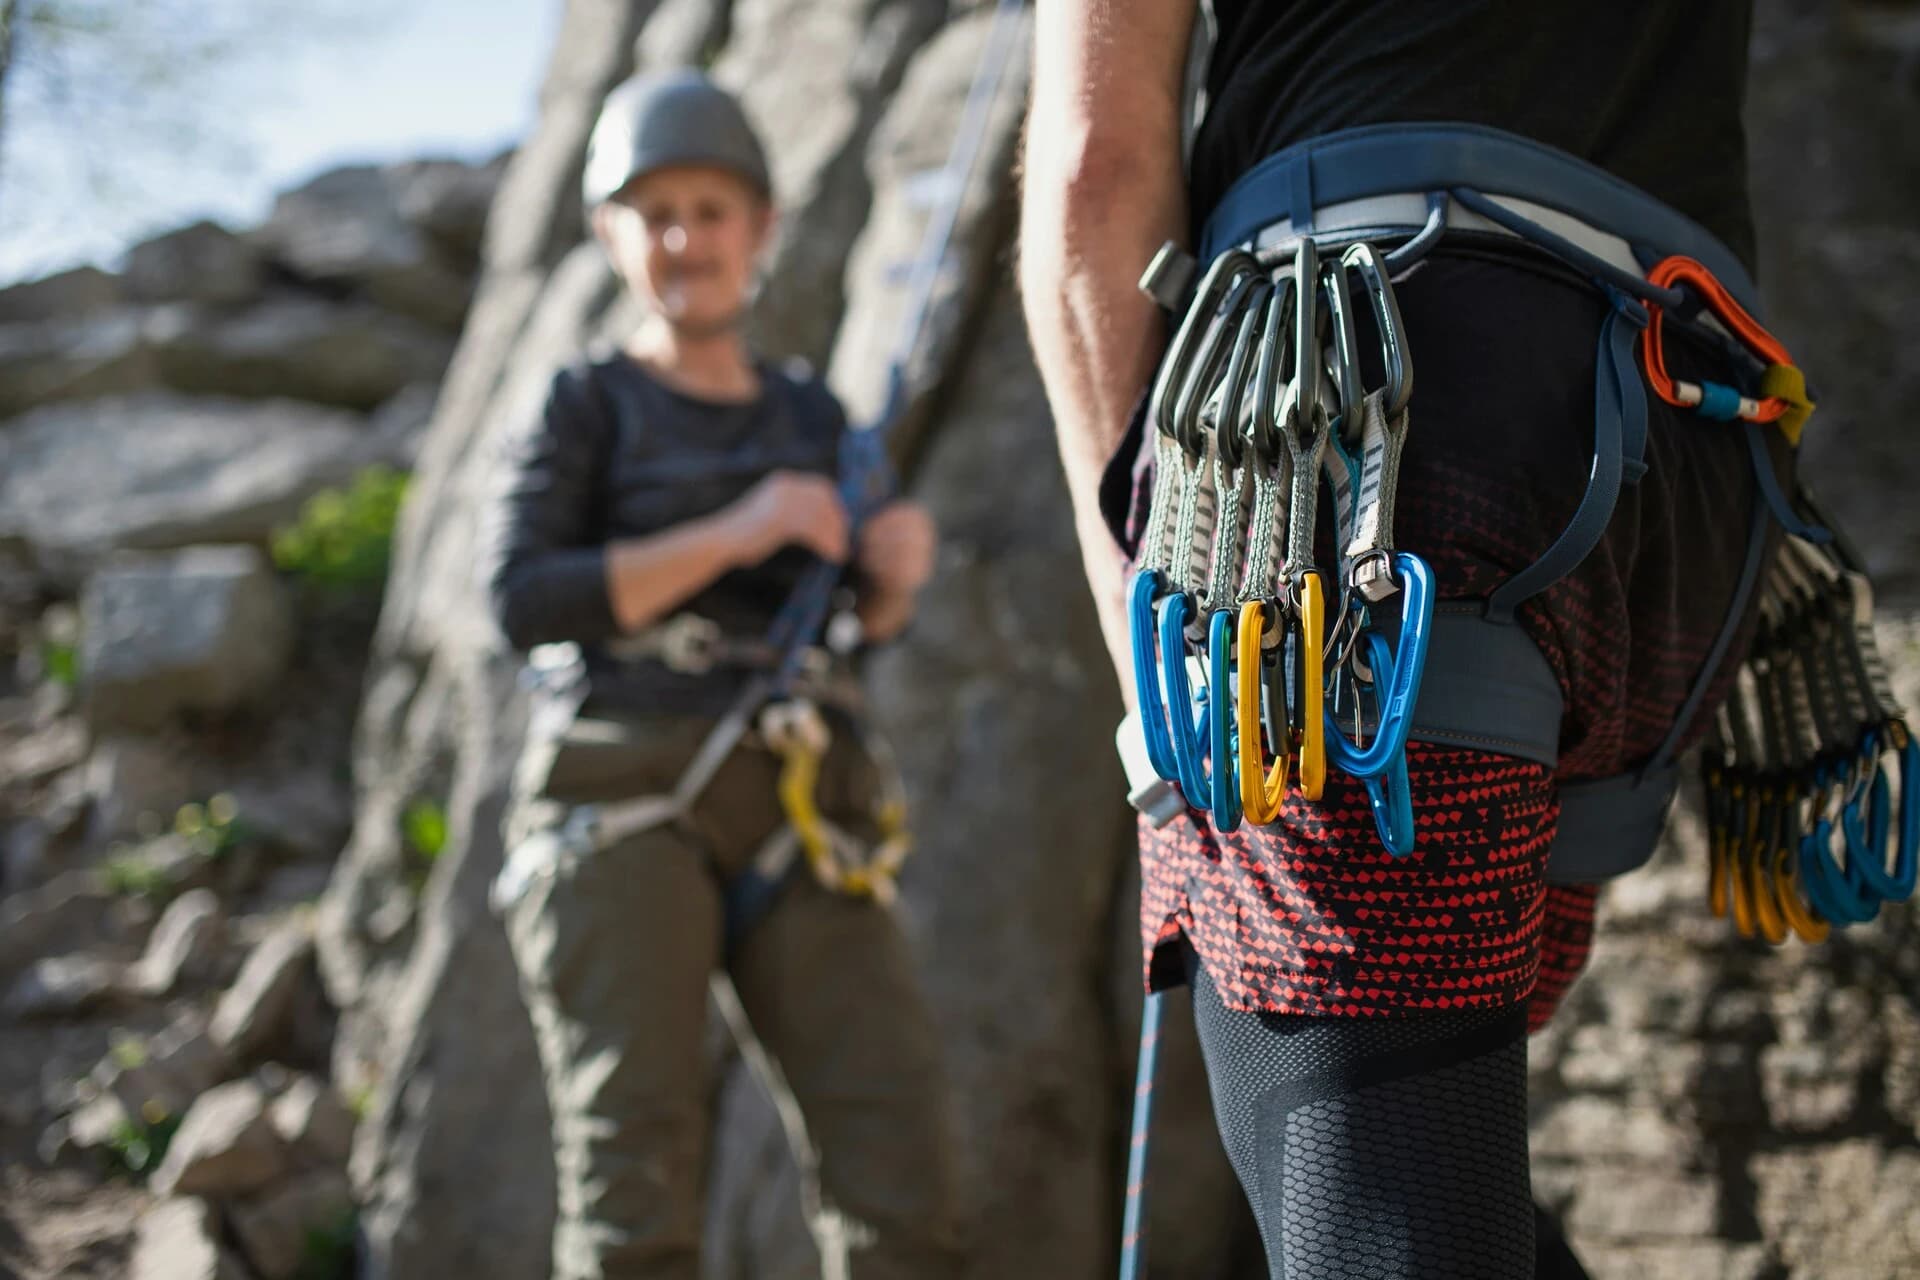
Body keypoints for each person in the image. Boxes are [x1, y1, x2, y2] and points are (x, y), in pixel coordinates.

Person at [1021, 3, 1780, 1277]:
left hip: (1387, 451)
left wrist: (1154, 642)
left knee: (1387, 1218)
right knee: (1426, 1162)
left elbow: (1095, 168)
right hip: (1692, 488)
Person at [484, 69, 966, 1280]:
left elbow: (855, 619)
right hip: (618, 779)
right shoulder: (587, 403)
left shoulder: (812, 417)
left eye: (711, 209)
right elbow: (526, 598)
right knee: (632, 1175)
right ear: (610, 236)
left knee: (899, 1153)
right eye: (656, 215)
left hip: (796, 787)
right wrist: (738, 528)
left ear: (762, 229)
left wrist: (893, 578)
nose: (686, 239)